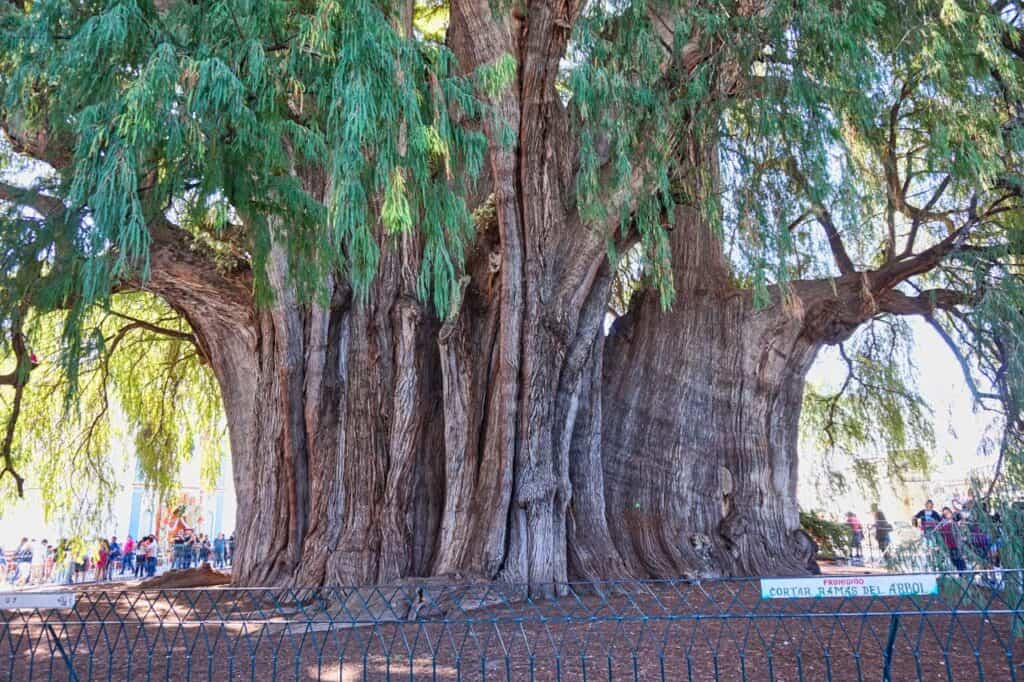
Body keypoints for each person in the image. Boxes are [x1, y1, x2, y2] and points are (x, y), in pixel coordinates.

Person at [937, 506, 967, 571]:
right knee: (954, 561)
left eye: (948, 512)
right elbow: (940, 531)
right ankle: (961, 576)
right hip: (949, 546)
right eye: (945, 514)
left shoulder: (955, 519)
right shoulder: (943, 522)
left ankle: (964, 575)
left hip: (957, 544)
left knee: (960, 561)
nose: (947, 514)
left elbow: (962, 518)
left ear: (950, 512)